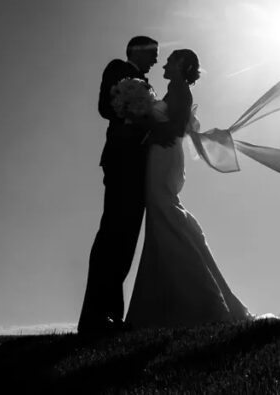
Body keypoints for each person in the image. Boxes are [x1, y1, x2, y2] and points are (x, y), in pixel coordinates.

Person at [125, 49, 251, 327]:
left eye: (170, 60)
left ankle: (205, 302)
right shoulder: (174, 88)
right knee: (162, 216)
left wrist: (141, 119)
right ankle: (166, 305)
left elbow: (177, 126)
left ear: (181, 63)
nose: (165, 64)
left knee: (164, 210)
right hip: (160, 153)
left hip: (164, 154)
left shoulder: (180, 89)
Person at [77, 35, 168, 334]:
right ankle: (94, 316)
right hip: (121, 159)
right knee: (112, 234)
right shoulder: (117, 69)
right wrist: (134, 113)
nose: (156, 59)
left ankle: (112, 315)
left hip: (140, 166)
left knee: (127, 238)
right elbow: (106, 107)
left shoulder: (147, 84)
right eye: (153, 53)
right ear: (136, 51)